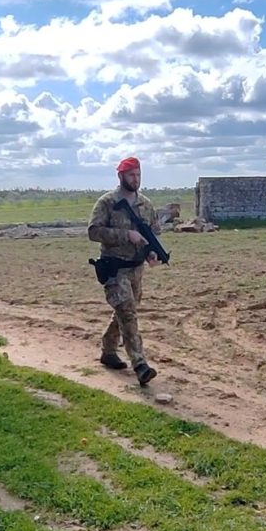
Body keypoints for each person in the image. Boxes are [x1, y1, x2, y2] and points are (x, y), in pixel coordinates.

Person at [87, 156, 161, 386]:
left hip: (136, 269)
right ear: (120, 176)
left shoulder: (146, 205)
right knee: (127, 313)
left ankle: (109, 350)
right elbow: (93, 231)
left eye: (138, 174)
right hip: (114, 268)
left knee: (124, 311)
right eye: (131, 175)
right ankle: (140, 364)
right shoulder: (107, 202)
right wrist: (124, 235)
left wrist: (152, 253)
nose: (135, 179)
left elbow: (153, 233)